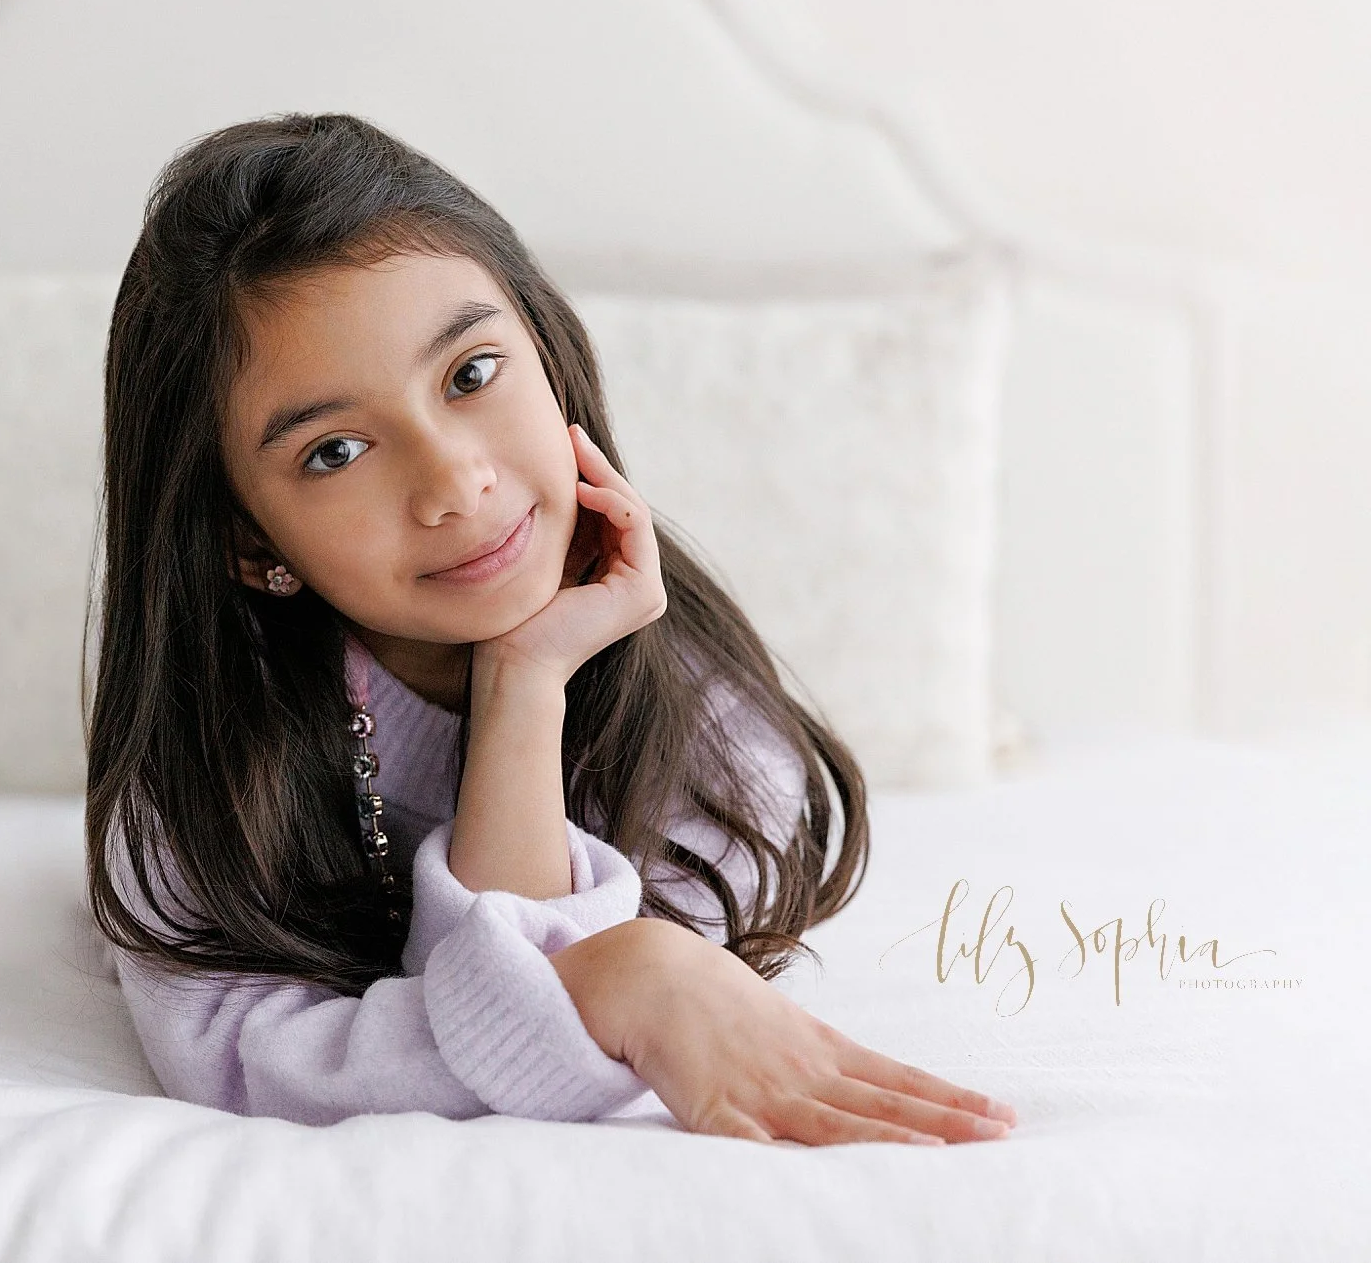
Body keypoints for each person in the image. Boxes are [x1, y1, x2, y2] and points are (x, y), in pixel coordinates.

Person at [82, 112, 1017, 1145]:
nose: (452, 481)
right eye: (336, 449)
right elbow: (262, 1067)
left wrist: (529, 687)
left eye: (471, 375)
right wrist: (617, 973)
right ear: (242, 534)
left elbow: (567, 1047)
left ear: (549, 351)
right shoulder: (199, 777)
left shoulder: (709, 734)